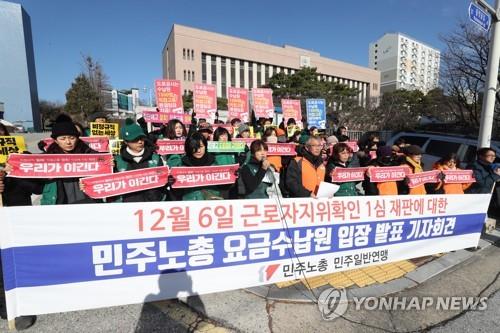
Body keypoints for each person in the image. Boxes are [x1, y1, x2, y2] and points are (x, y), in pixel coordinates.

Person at [113, 119, 164, 202]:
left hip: (152, 207)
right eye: (135, 139)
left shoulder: (155, 158)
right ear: (126, 141)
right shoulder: (117, 161)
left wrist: (168, 180)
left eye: (141, 138)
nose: (140, 142)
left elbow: (162, 184)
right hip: (127, 208)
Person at [170, 132, 223, 200]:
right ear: (189, 148)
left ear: (205, 146)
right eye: (195, 147)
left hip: (212, 202)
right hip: (190, 203)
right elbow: (178, 193)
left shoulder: (214, 162)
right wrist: (173, 183)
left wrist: (233, 176)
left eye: (201, 146)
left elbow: (223, 187)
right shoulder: (182, 164)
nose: (198, 150)